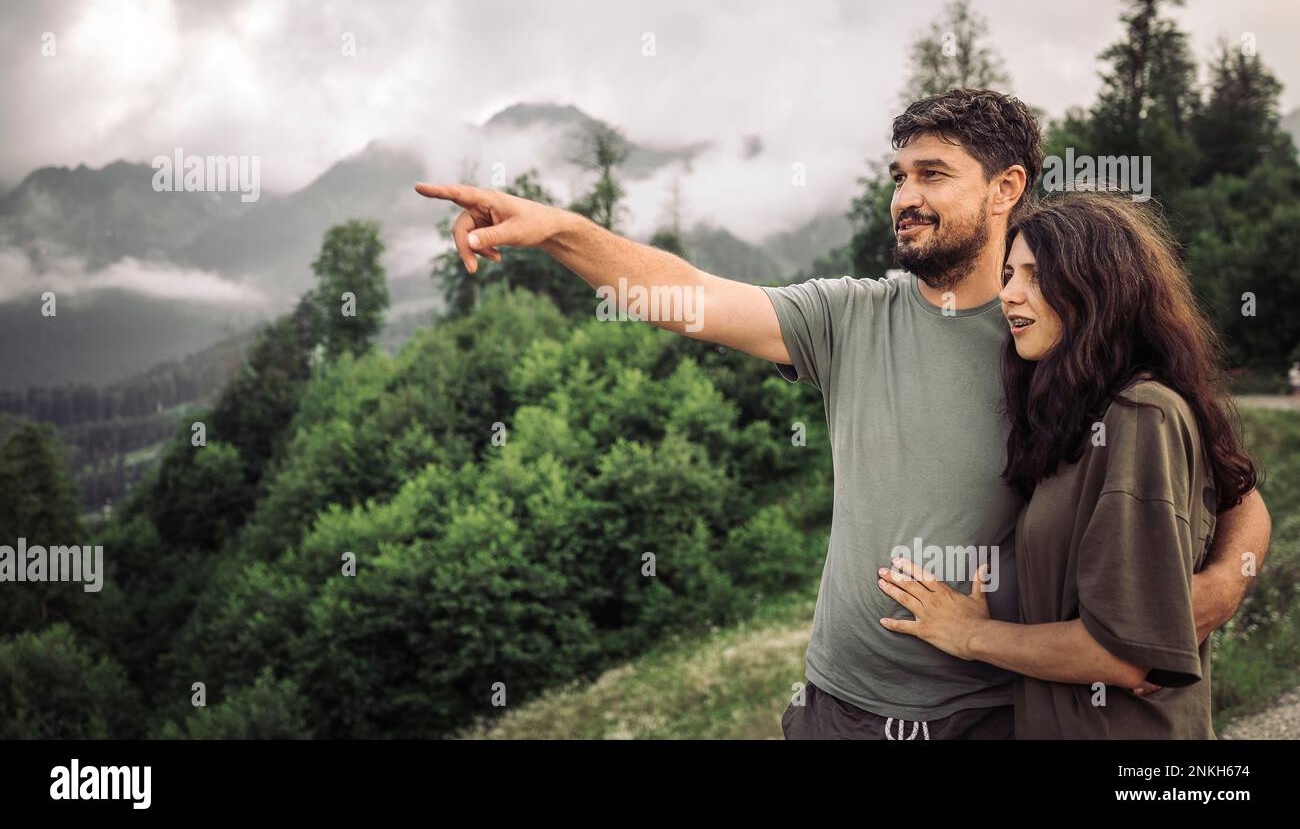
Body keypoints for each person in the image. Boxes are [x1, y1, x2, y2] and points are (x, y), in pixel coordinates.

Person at [414, 88, 1272, 740]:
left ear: (1007, 185)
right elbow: (692, 298)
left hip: (989, 714)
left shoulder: (1065, 335)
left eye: (933, 174)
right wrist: (563, 231)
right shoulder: (850, 316)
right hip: (833, 708)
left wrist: (1199, 597)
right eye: (899, 176)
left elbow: (1231, 490)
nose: (906, 196)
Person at [877, 193, 1257, 737]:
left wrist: (969, 635)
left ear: (1099, 286)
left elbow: (1125, 657)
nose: (1008, 295)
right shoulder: (1077, 417)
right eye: (1008, 275)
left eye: (1034, 275)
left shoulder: (1141, 414)